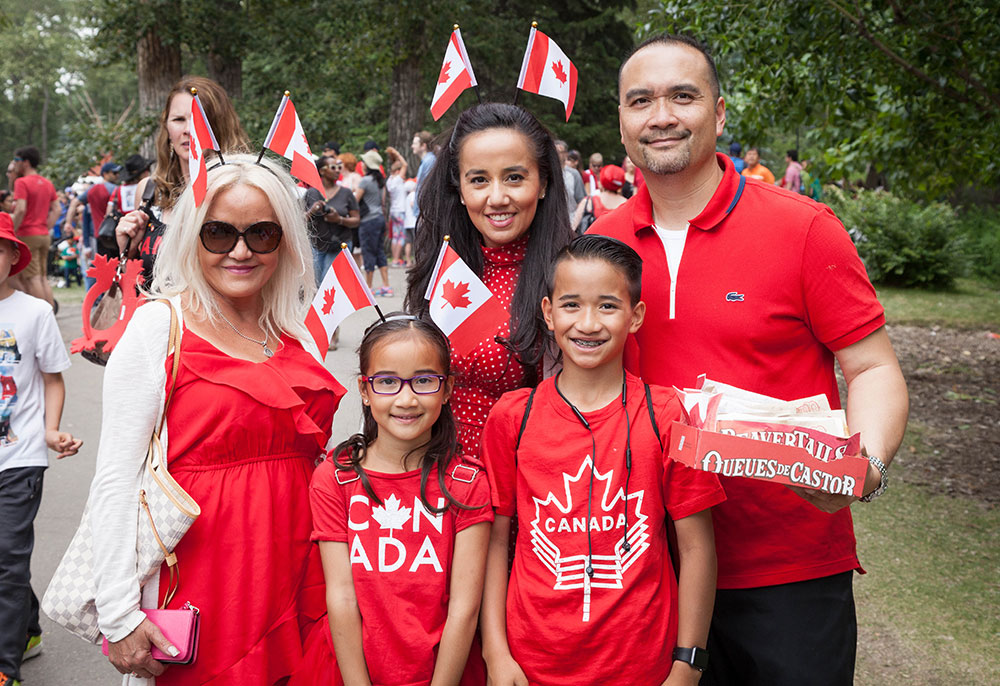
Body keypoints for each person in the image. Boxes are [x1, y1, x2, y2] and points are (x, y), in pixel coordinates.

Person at [592, 33, 909, 685]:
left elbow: (873, 369)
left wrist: (866, 466)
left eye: (684, 95)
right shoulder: (597, 248)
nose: (661, 115)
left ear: (720, 111)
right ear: (621, 119)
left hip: (788, 570)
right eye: (641, 100)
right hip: (650, 568)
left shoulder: (804, 228)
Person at [90, 155, 346, 684]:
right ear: (191, 236)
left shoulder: (294, 332)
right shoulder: (160, 326)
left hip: (301, 568)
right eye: (219, 233)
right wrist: (118, 615)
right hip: (206, 583)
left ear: (286, 242)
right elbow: (116, 479)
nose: (241, 250)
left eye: (262, 233)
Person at [480, 234, 726, 686]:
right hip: (532, 663)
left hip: (642, 666)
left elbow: (695, 547)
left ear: (635, 317)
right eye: (571, 305)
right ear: (549, 313)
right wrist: (496, 652)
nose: (588, 323)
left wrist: (688, 665)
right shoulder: (513, 417)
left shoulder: (667, 414)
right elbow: (496, 542)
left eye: (608, 306)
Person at [289, 315, 492, 686]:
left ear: (447, 390)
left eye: (425, 380)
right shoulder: (336, 479)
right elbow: (341, 596)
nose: (407, 398)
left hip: (444, 671)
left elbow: (465, 607)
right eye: (387, 382)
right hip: (350, 670)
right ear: (364, 391)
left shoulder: (468, 483)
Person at [405, 102, 574, 457]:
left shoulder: (572, 277)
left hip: (520, 485)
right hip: (433, 478)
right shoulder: (443, 266)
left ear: (543, 183)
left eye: (514, 177)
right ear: (460, 188)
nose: (497, 198)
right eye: (479, 179)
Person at [0, 215, 82, 686]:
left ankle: (4, 665)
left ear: (15, 256)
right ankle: (27, 628)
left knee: (8, 557)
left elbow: (53, 378)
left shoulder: (33, 313)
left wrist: (50, 430)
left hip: (20, 457)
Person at [115, 76, 249, 285]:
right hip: (158, 315)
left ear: (219, 127)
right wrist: (129, 250)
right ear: (167, 129)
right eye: (178, 120)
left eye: (199, 119)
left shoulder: (243, 191)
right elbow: (137, 280)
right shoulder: (150, 191)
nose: (188, 129)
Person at [10, 146, 60, 308]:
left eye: (17, 160)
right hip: (44, 234)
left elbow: (21, 209)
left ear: (25, 162)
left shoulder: (21, 182)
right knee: (43, 277)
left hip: (27, 233)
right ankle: (49, 314)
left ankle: (42, 314)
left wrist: (13, 230)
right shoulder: (47, 183)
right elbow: (57, 209)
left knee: (32, 278)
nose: (15, 164)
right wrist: (46, 226)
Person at [305, 155, 360, 282]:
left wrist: (339, 219)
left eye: (339, 167)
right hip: (317, 245)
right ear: (322, 171)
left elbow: (356, 220)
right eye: (333, 167)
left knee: (328, 281)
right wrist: (312, 211)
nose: (337, 170)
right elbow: (299, 220)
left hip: (339, 243)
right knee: (315, 284)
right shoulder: (312, 193)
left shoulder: (346, 193)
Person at [355, 149, 392, 296]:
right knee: (379, 251)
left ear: (367, 165)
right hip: (380, 219)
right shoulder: (380, 181)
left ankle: (368, 287)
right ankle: (386, 285)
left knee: (368, 251)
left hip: (368, 220)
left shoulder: (365, 181)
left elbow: (355, 200)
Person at [64, 162, 121, 242]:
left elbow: (74, 202)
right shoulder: (116, 189)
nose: (117, 175)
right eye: (114, 173)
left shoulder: (92, 189)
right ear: (105, 174)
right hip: (114, 233)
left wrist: (68, 223)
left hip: (98, 233)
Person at [572, 164, 628, 231]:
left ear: (602, 179)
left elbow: (573, 227)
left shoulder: (589, 202)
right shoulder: (627, 204)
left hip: (592, 241)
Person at [384, 146, 410, 266]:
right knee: (401, 236)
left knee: (395, 236)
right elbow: (405, 164)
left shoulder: (389, 180)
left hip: (393, 211)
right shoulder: (398, 179)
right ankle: (395, 259)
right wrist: (397, 153)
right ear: (398, 171)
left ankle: (395, 258)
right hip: (401, 211)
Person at [554, 139, 585, 217]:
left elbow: (581, 200)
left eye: (559, 152)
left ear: (566, 154)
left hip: (570, 219)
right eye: (554, 152)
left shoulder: (574, 174)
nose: (556, 154)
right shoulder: (546, 173)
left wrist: (575, 221)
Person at [411, 130, 436, 219]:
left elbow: (428, 187)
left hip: (426, 212)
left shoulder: (430, 161)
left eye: (415, 144)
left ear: (423, 146)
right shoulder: (426, 161)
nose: (412, 146)